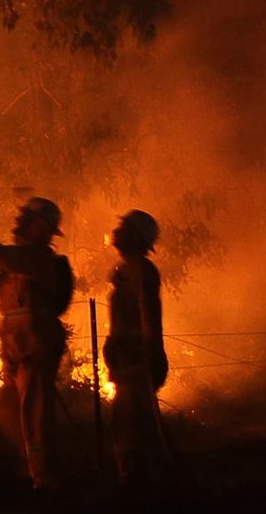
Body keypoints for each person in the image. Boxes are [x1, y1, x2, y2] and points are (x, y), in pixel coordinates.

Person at [0, 196, 73, 491]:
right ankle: (31, 466)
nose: (19, 222)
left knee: (35, 412)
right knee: (9, 408)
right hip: (16, 343)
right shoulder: (20, 261)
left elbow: (1, 255)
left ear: (40, 226)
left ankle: (46, 478)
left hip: (36, 342)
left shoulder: (38, 258)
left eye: (26, 219)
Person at [104, 209, 170, 489]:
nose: (116, 230)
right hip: (125, 357)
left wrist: (149, 352)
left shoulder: (142, 271)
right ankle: (139, 477)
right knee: (128, 419)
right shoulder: (124, 270)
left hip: (136, 356)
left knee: (134, 420)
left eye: (124, 226)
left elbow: (149, 314)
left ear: (136, 236)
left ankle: (146, 481)